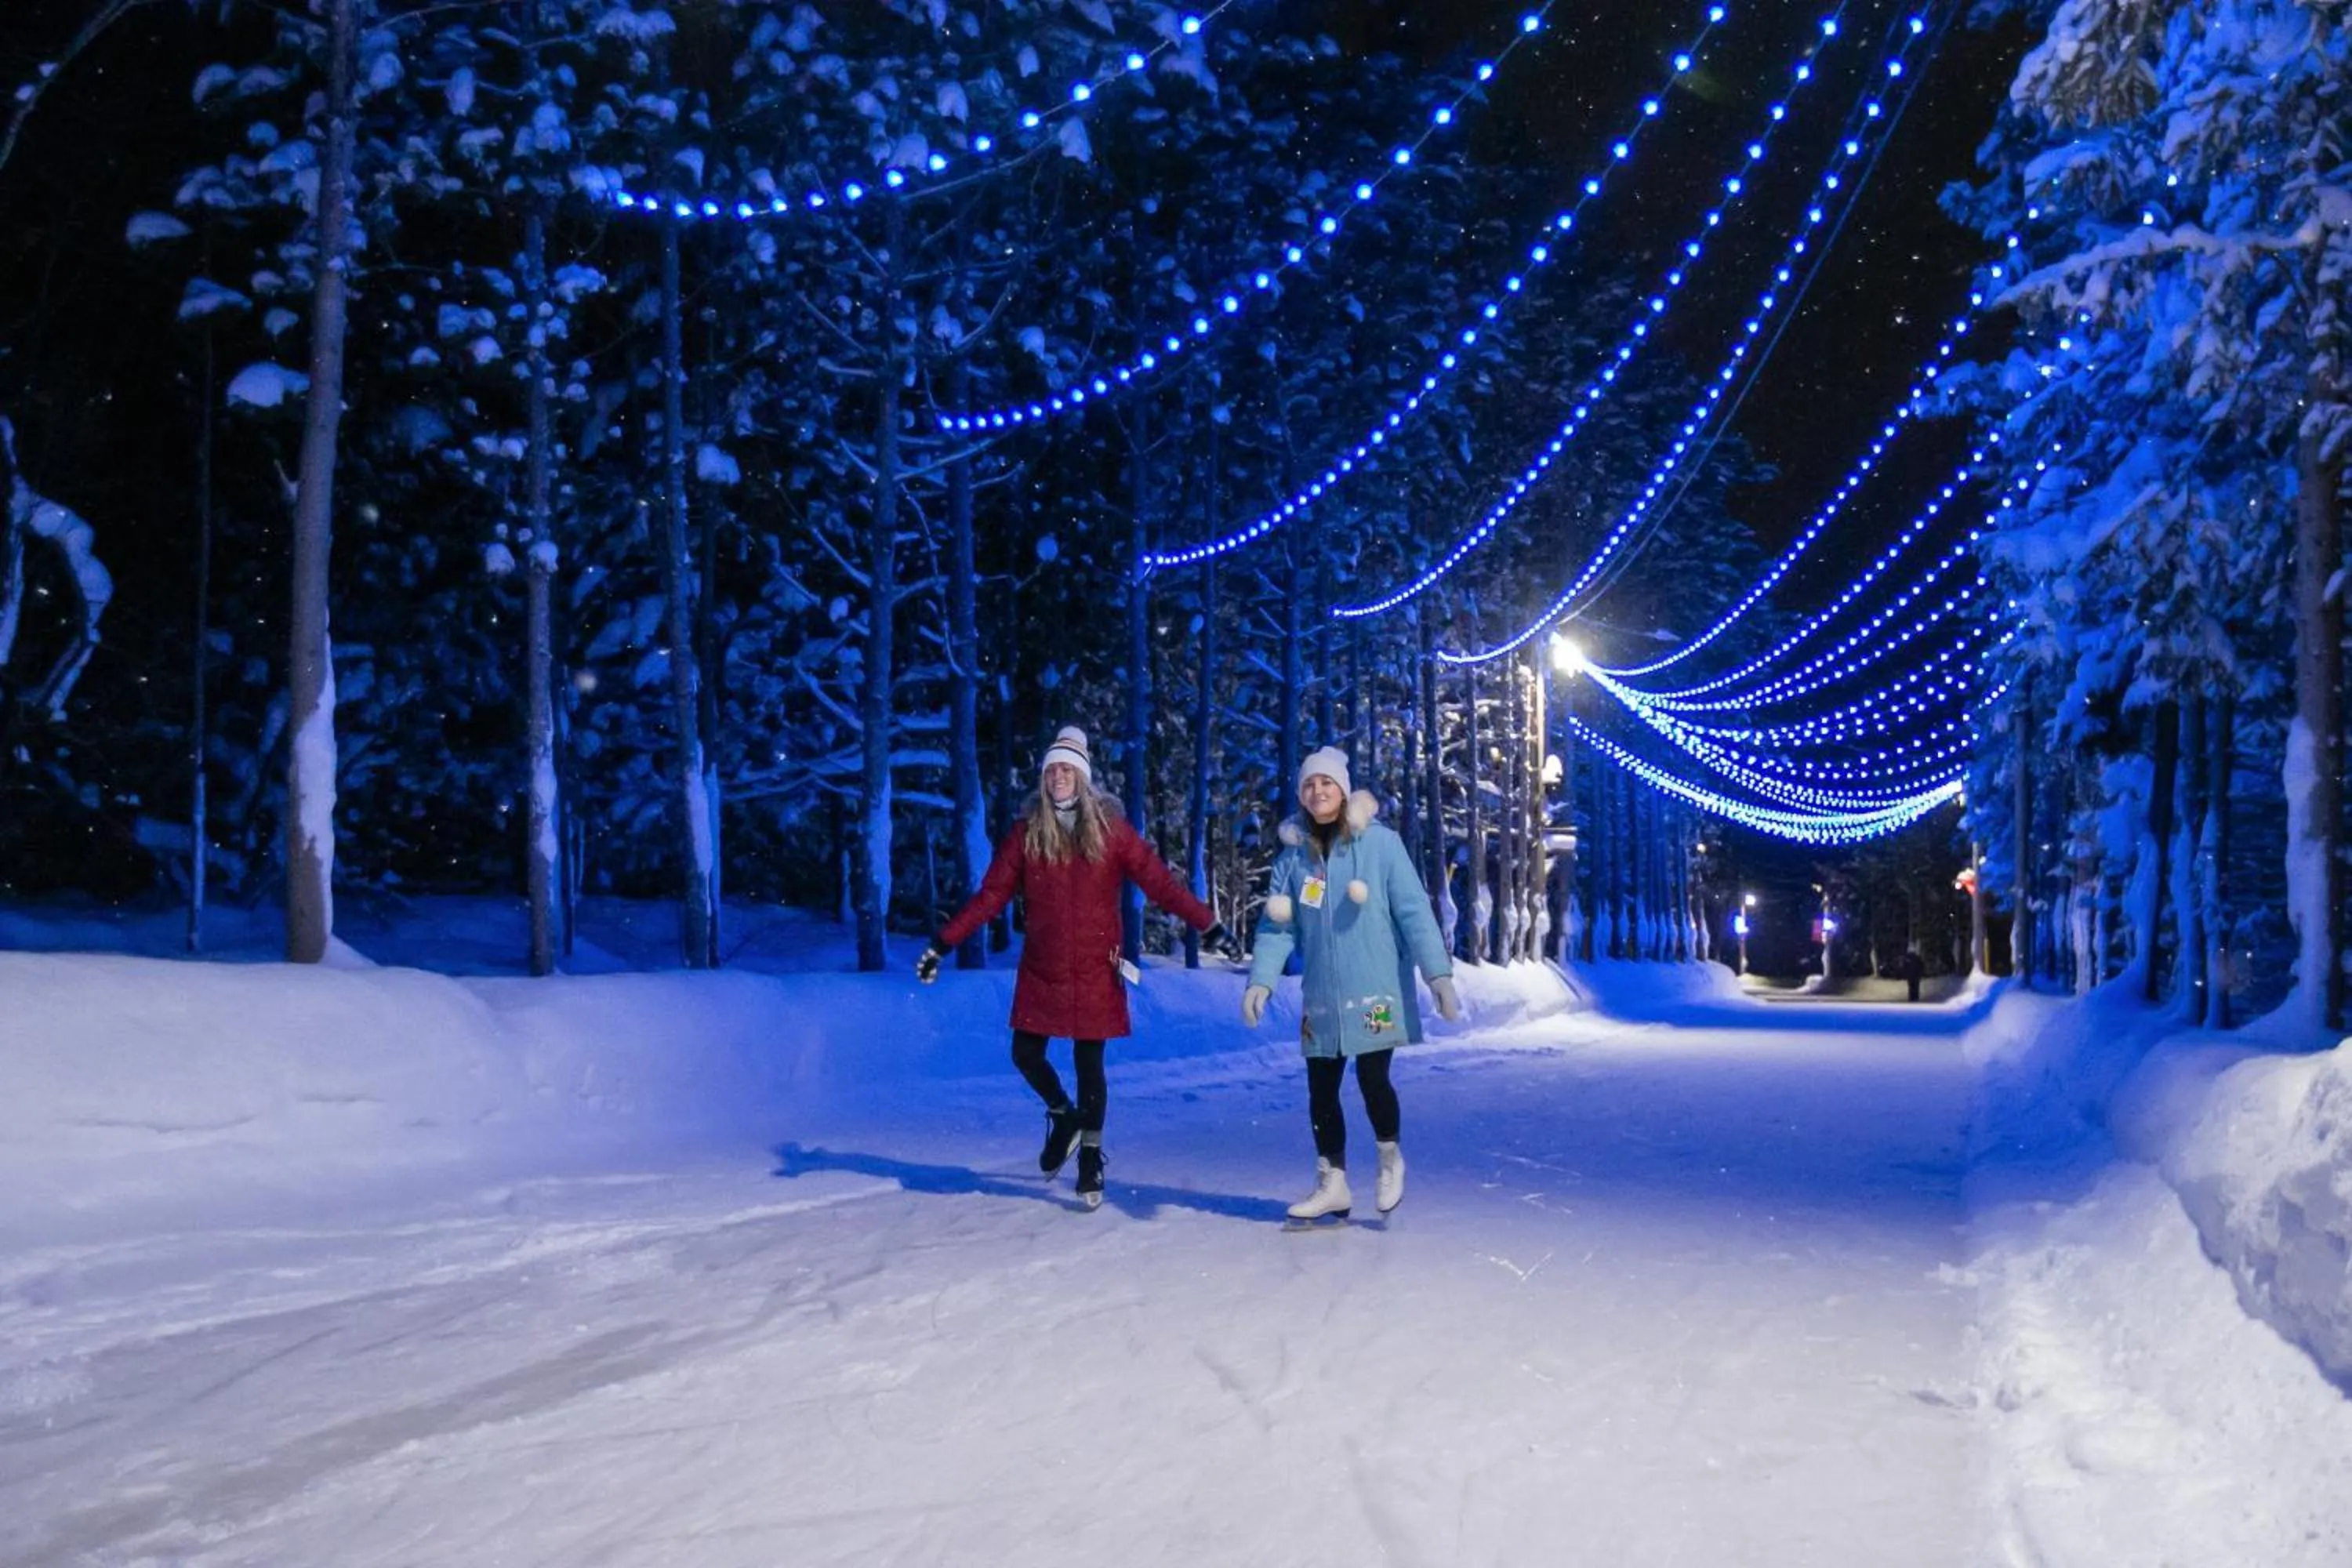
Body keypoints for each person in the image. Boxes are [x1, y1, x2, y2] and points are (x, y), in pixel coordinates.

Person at [918, 726, 1231, 1210]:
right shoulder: (1026, 834)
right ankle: (1063, 1115)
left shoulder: (1110, 832)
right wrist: (944, 942)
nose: (1059, 777)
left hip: (1094, 967)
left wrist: (1206, 925)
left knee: (1091, 1065)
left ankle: (1089, 1159)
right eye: (1052, 770)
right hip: (1042, 968)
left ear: (1082, 778)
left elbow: (1159, 884)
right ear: (1044, 778)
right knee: (1025, 1053)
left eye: (1068, 769)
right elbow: (990, 897)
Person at [1243, 747, 1460, 1223]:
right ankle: (1333, 1181)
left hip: (1375, 989)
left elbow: (1414, 912)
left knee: (1371, 1078)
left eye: (1326, 784)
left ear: (1342, 790)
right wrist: (1261, 981)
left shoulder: (1379, 845)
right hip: (1322, 996)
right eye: (1309, 785)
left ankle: (1389, 1160)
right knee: (1320, 1089)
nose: (1318, 792)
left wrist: (1437, 974)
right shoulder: (1296, 859)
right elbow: (1278, 928)